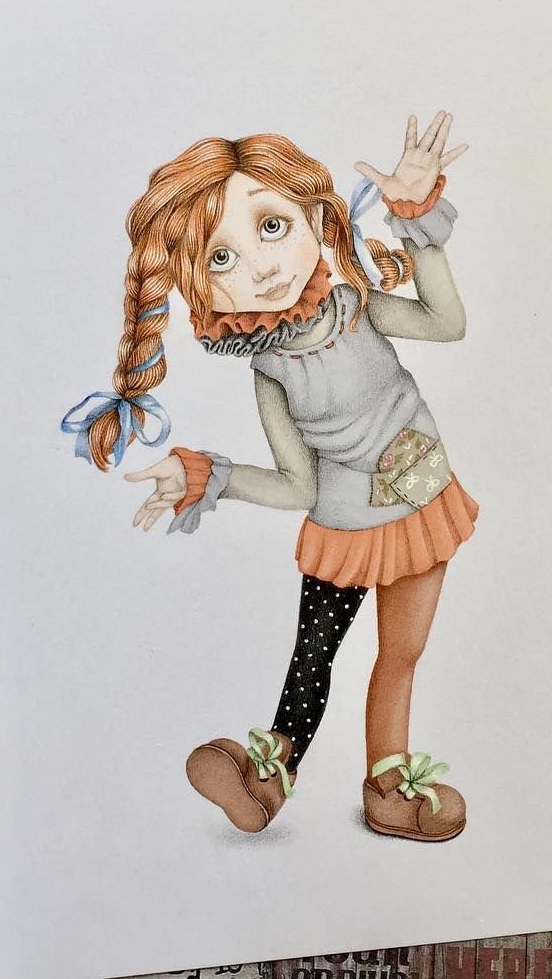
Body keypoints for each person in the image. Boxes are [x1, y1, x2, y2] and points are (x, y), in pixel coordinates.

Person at [62, 111, 479, 842]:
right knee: (312, 660)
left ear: (313, 217)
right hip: (344, 530)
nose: (258, 266)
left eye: (271, 226)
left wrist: (416, 218)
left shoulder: (355, 307)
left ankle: (388, 787)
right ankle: (264, 780)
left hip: (423, 504)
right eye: (221, 258)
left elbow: (447, 322)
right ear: (200, 291)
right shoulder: (271, 370)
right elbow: (299, 487)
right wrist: (209, 476)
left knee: (402, 655)